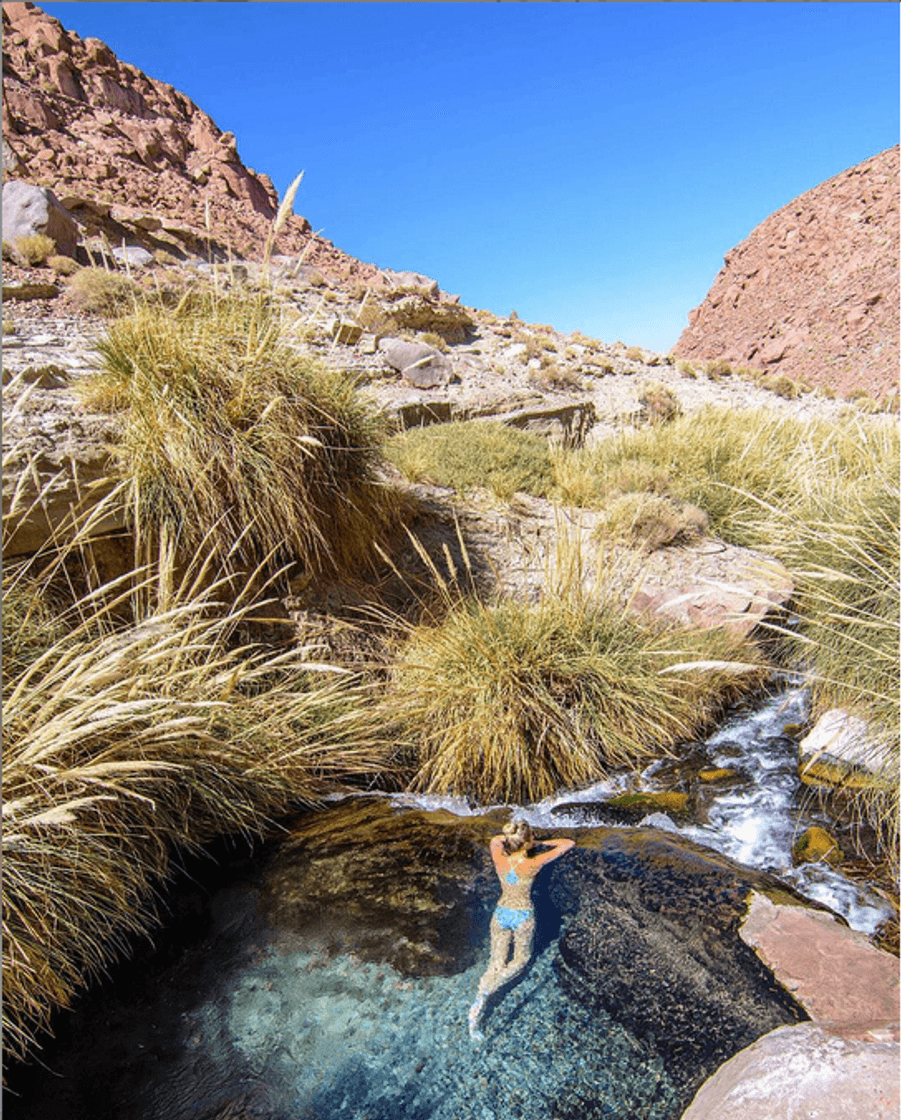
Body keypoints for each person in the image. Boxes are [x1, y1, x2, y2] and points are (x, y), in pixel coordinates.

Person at [468, 818, 575, 1039]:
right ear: (527, 842)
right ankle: (494, 986)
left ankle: (478, 1005)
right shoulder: (532, 864)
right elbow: (568, 844)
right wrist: (538, 843)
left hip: (501, 913)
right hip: (522, 915)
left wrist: (517, 839)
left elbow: (496, 839)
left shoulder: (499, 858)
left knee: (495, 962)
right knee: (521, 960)